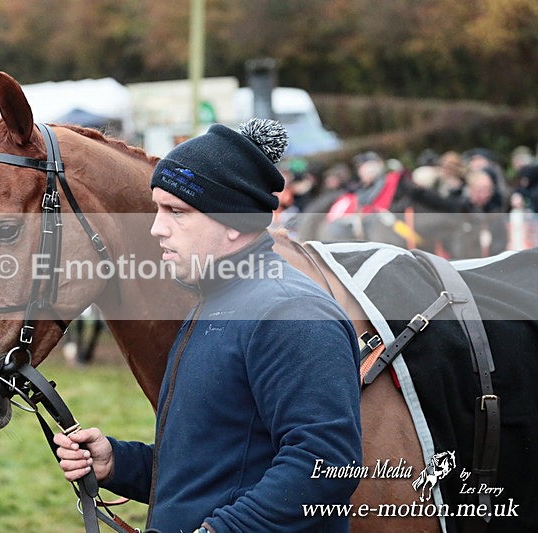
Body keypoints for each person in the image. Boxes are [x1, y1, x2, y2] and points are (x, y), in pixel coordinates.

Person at [54, 119, 363, 532]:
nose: (157, 227)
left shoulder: (293, 314)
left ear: (234, 220)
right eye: (158, 208)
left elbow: (325, 464)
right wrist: (118, 462)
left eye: (176, 212)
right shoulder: (213, 301)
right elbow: (211, 467)